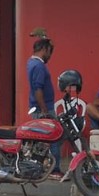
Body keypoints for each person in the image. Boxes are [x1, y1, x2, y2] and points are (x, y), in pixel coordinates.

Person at [27, 37, 64, 178]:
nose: (50, 55)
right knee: (54, 138)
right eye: (50, 51)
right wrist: (44, 110)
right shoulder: (39, 66)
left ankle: (44, 165)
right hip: (43, 108)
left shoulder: (32, 63)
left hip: (40, 107)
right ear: (44, 49)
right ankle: (54, 170)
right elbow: (38, 88)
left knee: (45, 140)